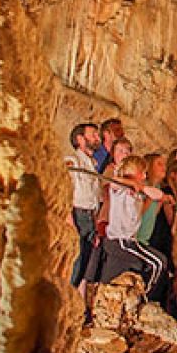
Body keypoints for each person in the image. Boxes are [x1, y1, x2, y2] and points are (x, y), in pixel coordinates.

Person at [94, 155, 169, 300]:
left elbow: (157, 194)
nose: (144, 176)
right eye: (142, 172)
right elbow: (114, 182)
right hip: (120, 240)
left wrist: (140, 187)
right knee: (156, 264)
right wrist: (129, 182)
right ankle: (144, 299)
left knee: (159, 262)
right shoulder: (119, 188)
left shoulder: (139, 191)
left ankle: (144, 297)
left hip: (131, 240)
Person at [64, 123, 101, 291]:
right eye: (93, 134)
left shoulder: (92, 164)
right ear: (80, 139)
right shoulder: (73, 161)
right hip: (77, 215)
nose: (97, 138)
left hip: (89, 217)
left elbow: (93, 197)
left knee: (85, 262)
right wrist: (68, 219)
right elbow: (66, 192)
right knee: (75, 262)